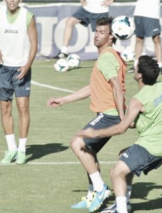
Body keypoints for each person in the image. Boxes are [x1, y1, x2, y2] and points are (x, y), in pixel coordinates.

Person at [78, 55, 162, 213]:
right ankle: (125, 201)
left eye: (136, 66)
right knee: (123, 155)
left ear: (139, 75)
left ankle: (121, 209)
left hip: (152, 147)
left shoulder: (137, 100)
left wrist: (94, 132)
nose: (135, 67)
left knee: (116, 173)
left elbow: (121, 128)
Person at [47, 17, 127, 212]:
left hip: (109, 114)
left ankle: (100, 188)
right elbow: (93, 87)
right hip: (110, 113)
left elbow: (117, 87)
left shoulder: (107, 57)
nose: (97, 35)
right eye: (96, 31)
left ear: (111, 36)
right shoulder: (109, 56)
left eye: (102, 32)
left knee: (77, 143)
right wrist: (65, 99)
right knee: (88, 152)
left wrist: (122, 117)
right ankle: (93, 195)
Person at [0, 0, 38, 165]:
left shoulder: (28, 17)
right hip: (3, 68)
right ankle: (11, 149)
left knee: (23, 107)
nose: (12, 0)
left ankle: (22, 150)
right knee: (4, 108)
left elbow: (34, 44)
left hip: (21, 69)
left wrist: (27, 65)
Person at [55, 0, 124, 59]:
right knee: (69, 21)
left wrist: (112, 0)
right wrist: (82, 0)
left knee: (103, 35)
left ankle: (108, 55)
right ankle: (64, 51)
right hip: (87, 9)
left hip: (100, 10)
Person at [129, 0, 162, 73]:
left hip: (152, 12)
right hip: (139, 12)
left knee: (156, 38)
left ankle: (159, 65)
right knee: (139, 39)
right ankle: (136, 65)